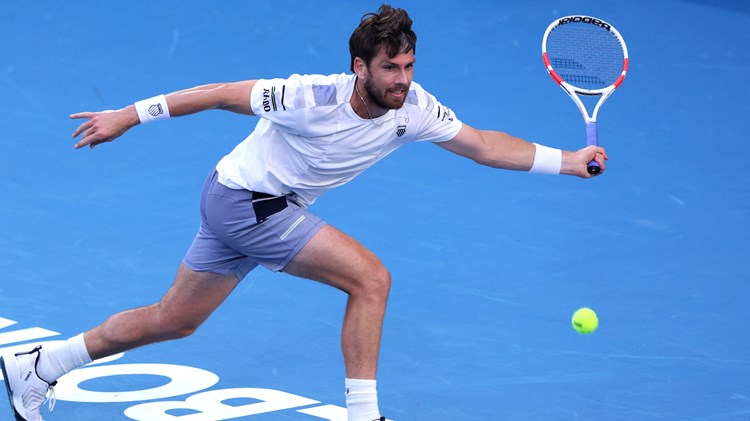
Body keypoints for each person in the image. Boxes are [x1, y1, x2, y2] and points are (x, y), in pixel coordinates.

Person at [0, 4, 607, 421]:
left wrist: (567, 160)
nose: (402, 79)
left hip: (242, 201)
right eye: (390, 68)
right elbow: (217, 94)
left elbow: (479, 144)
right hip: (246, 203)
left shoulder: (413, 107)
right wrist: (128, 115)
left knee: (174, 320)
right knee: (370, 279)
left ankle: (40, 364)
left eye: (409, 66)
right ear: (359, 68)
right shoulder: (307, 97)